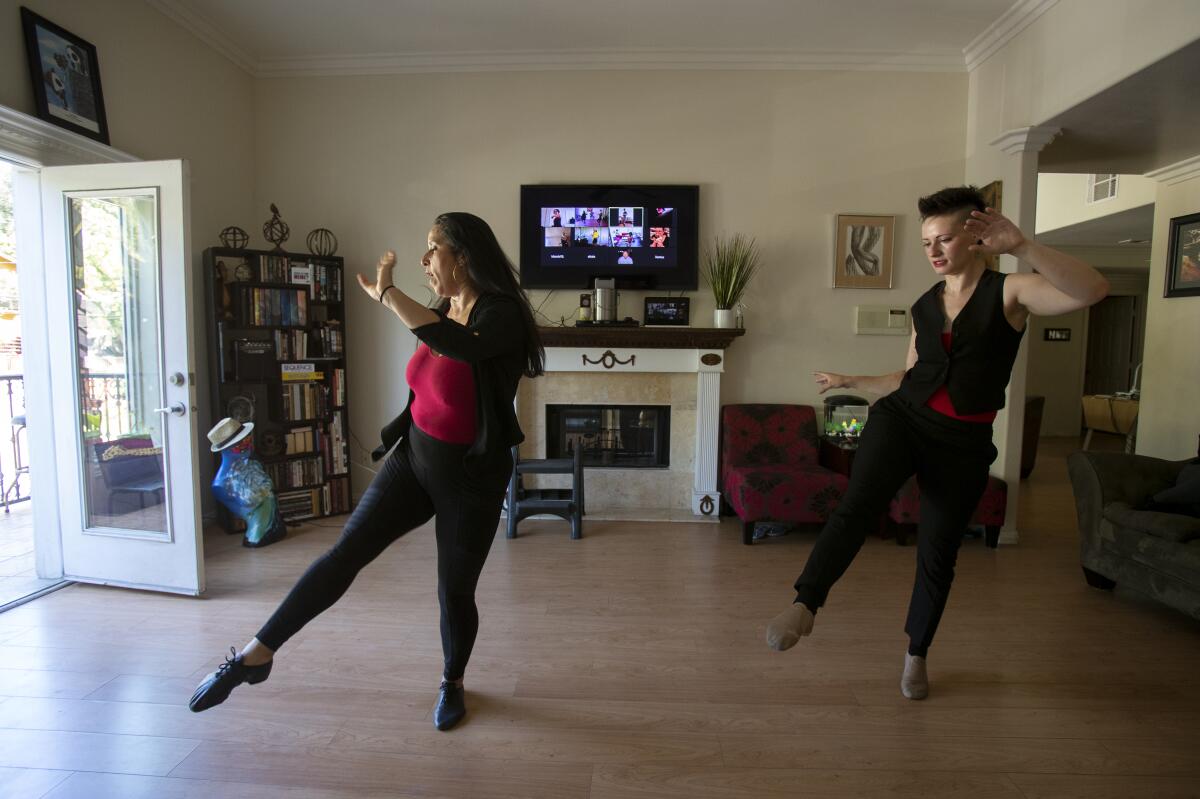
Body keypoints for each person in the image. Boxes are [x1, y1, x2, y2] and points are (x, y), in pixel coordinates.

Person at [189, 212, 545, 731]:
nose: (425, 259)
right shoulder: (445, 308)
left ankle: (452, 681)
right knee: (343, 556)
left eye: (433, 249)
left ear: (463, 256)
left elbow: (460, 347)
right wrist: (401, 302)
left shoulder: (501, 314)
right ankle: (256, 655)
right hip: (415, 457)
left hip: (469, 477)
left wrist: (387, 295)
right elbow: (432, 370)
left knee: (453, 592)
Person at [764, 186, 1108, 700]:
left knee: (938, 550)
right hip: (902, 419)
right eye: (927, 243)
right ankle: (805, 603)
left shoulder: (1011, 291)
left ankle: (916, 653)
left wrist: (1024, 246)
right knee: (858, 504)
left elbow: (1091, 291)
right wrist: (852, 380)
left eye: (943, 239)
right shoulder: (925, 305)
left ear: (974, 238)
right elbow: (911, 377)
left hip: (962, 441)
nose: (933, 251)